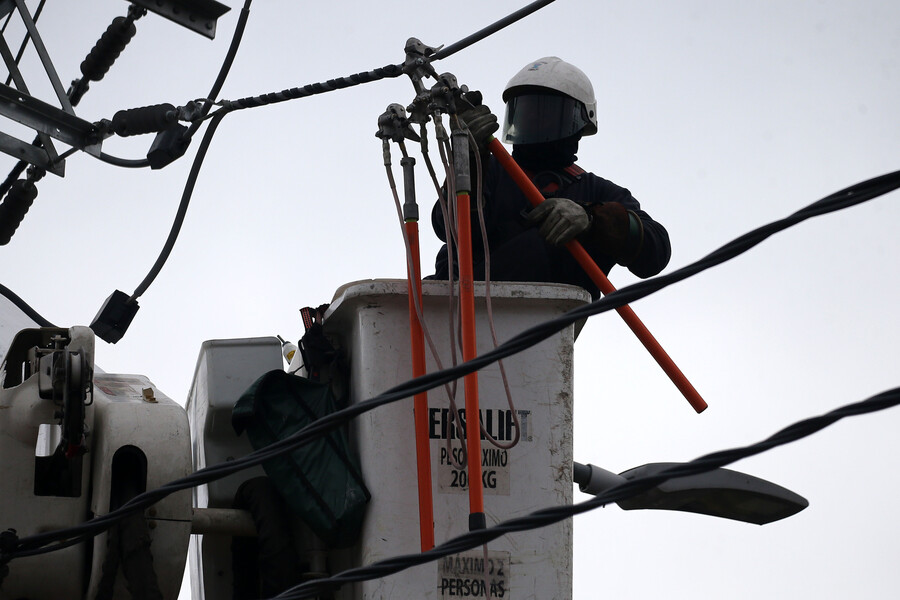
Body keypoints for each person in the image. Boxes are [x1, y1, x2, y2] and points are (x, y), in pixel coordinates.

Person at [430, 57, 671, 299]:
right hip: (461, 308)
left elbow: (656, 251)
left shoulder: (596, 192)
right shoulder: (489, 169)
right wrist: (468, 162)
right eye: (525, 111)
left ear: (579, 121)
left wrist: (591, 219)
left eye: (545, 112)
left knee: (545, 244)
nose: (533, 119)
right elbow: (446, 226)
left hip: (547, 322)